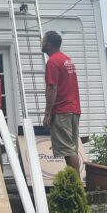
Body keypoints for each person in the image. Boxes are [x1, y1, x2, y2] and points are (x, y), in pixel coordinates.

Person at [41, 30, 82, 172]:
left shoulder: (53, 62)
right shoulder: (66, 60)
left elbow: (52, 88)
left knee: (68, 150)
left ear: (49, 44)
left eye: (43, 41)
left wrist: (47, 114)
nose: (42, 43)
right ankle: (75, 182)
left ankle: (75, 183)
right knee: (71, 149)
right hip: (74, 110)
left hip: (62, 111)